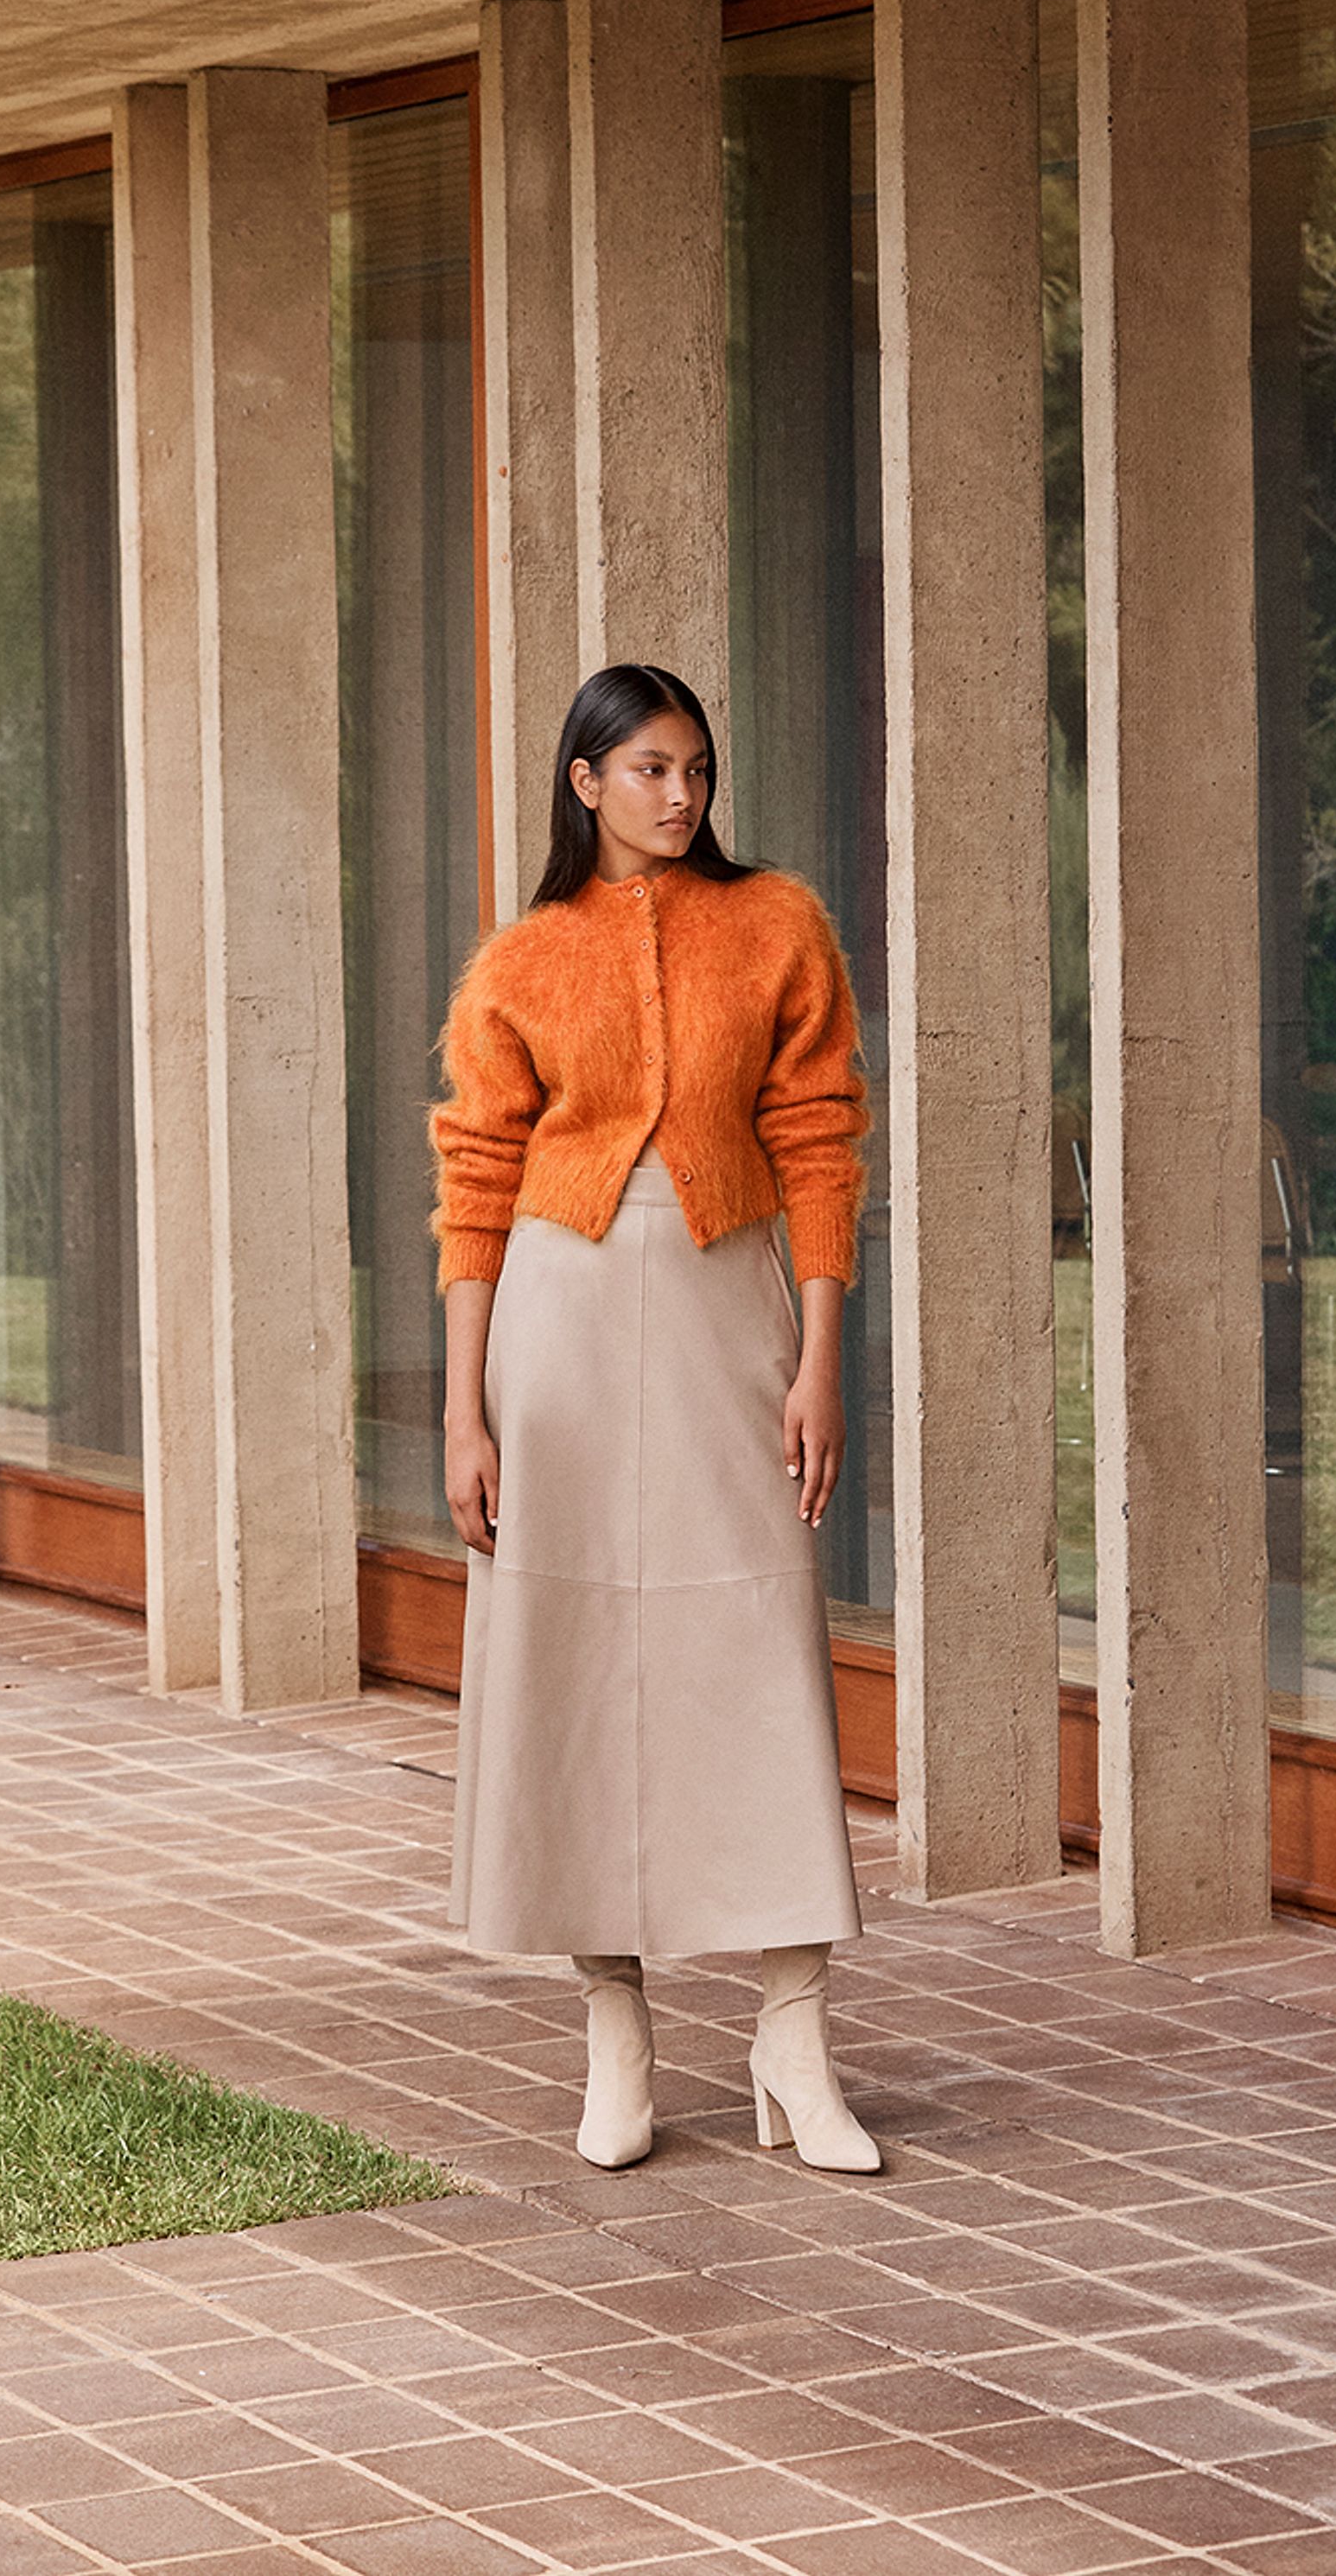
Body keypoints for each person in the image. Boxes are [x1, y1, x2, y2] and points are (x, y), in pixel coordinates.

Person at [427, 661, 881, 2175]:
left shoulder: (778, 928)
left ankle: (792, 2033)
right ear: (586, 783)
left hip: (725, 1312)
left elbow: (820, 1139)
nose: (681, 798)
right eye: (649, 772)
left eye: (696, 769)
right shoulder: (521, 962)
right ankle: (615, 2033)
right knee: (571, 1662)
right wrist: (463, 1412)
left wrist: (820, 1358)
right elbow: (475, 1193)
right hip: (553, 1332)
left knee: (751, 1646)